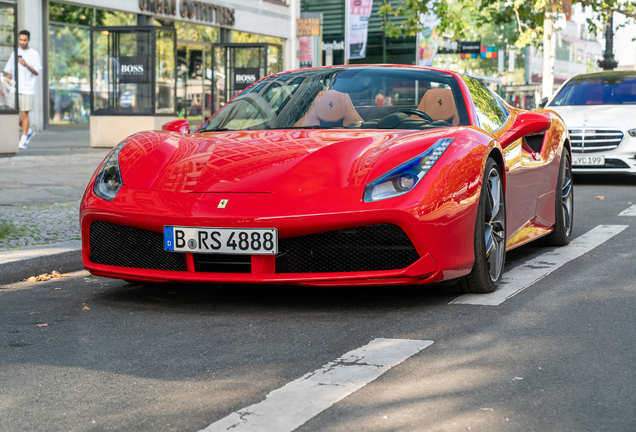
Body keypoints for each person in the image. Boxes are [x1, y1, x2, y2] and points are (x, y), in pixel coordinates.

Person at [2, 30, 42, 149]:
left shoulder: (34, 54)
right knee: (12, 114)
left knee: (24, 114)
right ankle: (28, 130)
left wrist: (26, 65)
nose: (22, 42)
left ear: (28, 40)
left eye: (25, 40)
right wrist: (4, 86)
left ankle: (23, 139)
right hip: (15, 89)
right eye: (20, 40)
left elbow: (36, 72)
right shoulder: (15, 53)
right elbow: (9, 72)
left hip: (28, 89)